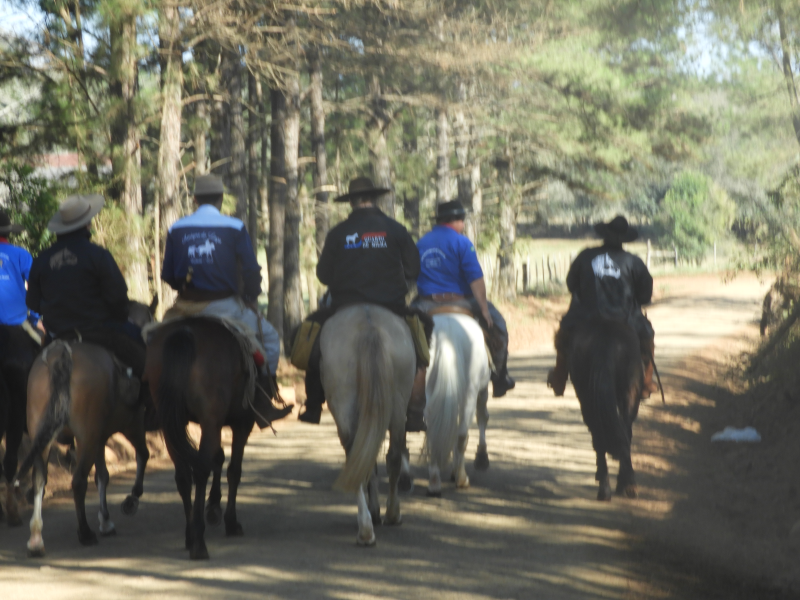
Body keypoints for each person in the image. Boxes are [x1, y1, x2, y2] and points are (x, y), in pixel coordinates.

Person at [293, 176, 428, 430]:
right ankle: (414, 407)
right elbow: (414, 268)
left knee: (311, 341)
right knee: (422, 336)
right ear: (374, 198)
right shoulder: (396, 229)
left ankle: (312, 406)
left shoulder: (338, 233)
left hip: (344, 305)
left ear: (351, 201)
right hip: (391, 305)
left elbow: (322, 275)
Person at [161, 174, 292, 426]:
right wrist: (250, 297)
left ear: (195, 199)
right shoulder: (234, 227)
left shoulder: (176, 228)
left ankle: (149, 401)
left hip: (184, 307)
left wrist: (185, 289)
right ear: (221, 199)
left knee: (151, 339)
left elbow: (168, 274)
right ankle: (264, 400)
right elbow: (252, 271)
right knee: (272, 339)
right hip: (226, 307)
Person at [26, 195, 145, 380]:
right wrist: (119, 317)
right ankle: (148, 402)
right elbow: (118, 297)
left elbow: (32, 303)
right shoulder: (98, 255)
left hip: (58, 333)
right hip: (100, 329)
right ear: (86, 225)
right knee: (144, 354)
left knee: (33, 369)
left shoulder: (41, 260)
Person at [411, 200, 515, 401]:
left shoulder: (421, 243)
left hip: (425, 303)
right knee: (500, 326)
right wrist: (484, 309)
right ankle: (500, 377)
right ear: (456, 221)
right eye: (463, 221)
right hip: (461, 301)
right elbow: (475, 278)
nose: (464, 225)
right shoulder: (462, 242)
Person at [547, 215, 658, 398]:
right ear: (624, 239)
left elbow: (571, 285)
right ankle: (646, 383)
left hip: (585, 315)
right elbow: (645, 296)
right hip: (625, 317)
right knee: (647, 336)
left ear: (604, 235)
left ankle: (559, 379)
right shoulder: (634, 262)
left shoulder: (585, 256)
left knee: (564, 336)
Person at [0, 209, 41, 343]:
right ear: (8, 233)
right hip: (17, 322)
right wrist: (35, 318)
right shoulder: (21, 254)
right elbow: (36, 287)